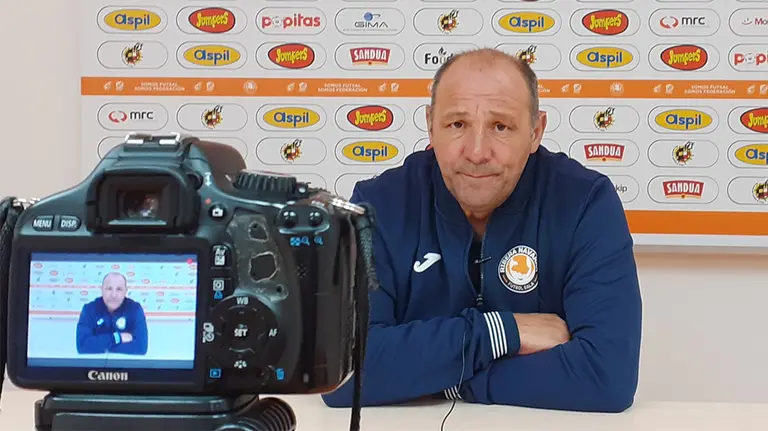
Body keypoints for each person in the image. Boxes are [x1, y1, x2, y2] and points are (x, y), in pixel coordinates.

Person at [321, 48, 642, 412]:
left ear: (535, 132)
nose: (476, 152)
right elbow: (342, 374)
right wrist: (499, 333)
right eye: (457, 124)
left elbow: (607, 377)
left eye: (500, 127)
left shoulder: (586, 202)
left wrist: (438, 378)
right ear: (430, 125)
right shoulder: (379, 204)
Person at [76, 271, 149, 355]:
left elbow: (141, 348)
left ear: (126, 291)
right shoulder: (89, 309)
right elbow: (82, 346)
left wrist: (101, 345)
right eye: (109, 289)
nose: (113, 295)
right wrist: (117, 338)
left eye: (119, 289)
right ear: (102, 290)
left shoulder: (135, 309)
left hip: (126, 366)